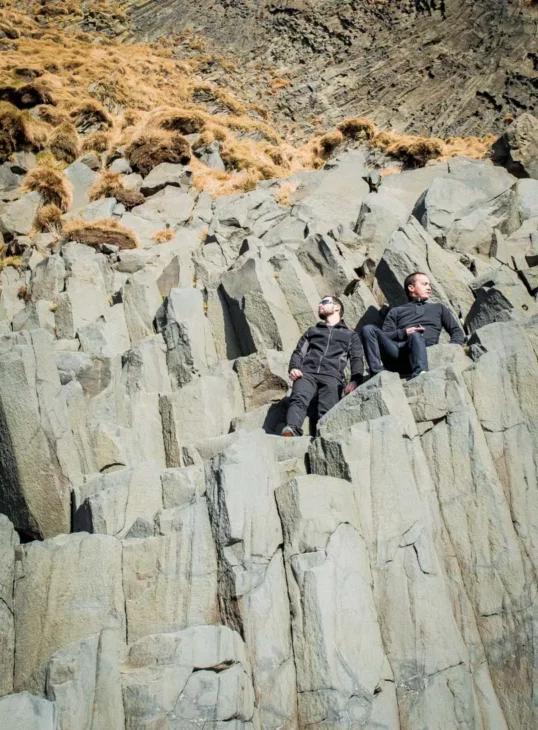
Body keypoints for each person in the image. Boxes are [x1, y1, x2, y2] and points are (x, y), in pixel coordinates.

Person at [282, 295, 364, 437]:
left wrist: (356, 380)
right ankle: (292, 429)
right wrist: (294, 368)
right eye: (319, 303)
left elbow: (356, 358)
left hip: (333, 375)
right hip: (307, 372)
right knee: (298, 397)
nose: (320, 305)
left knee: (328, 408)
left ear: (337, 308)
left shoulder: (350, 335)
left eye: (324, 302)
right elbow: (298, 352)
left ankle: (324, 437)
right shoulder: (312, 331)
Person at [361, 272, 464, 379]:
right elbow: (386, 335)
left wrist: (452, 349)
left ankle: (420, 374)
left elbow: (456, 331)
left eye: (429, 285)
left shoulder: (439, 308)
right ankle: (377, 374)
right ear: (411, 287)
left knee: (415, 336)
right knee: (368, 329)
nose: (429, 288)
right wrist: (404, 332)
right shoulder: (396, 311)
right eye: (424, 284)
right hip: (397, 354)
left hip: (423, 351)